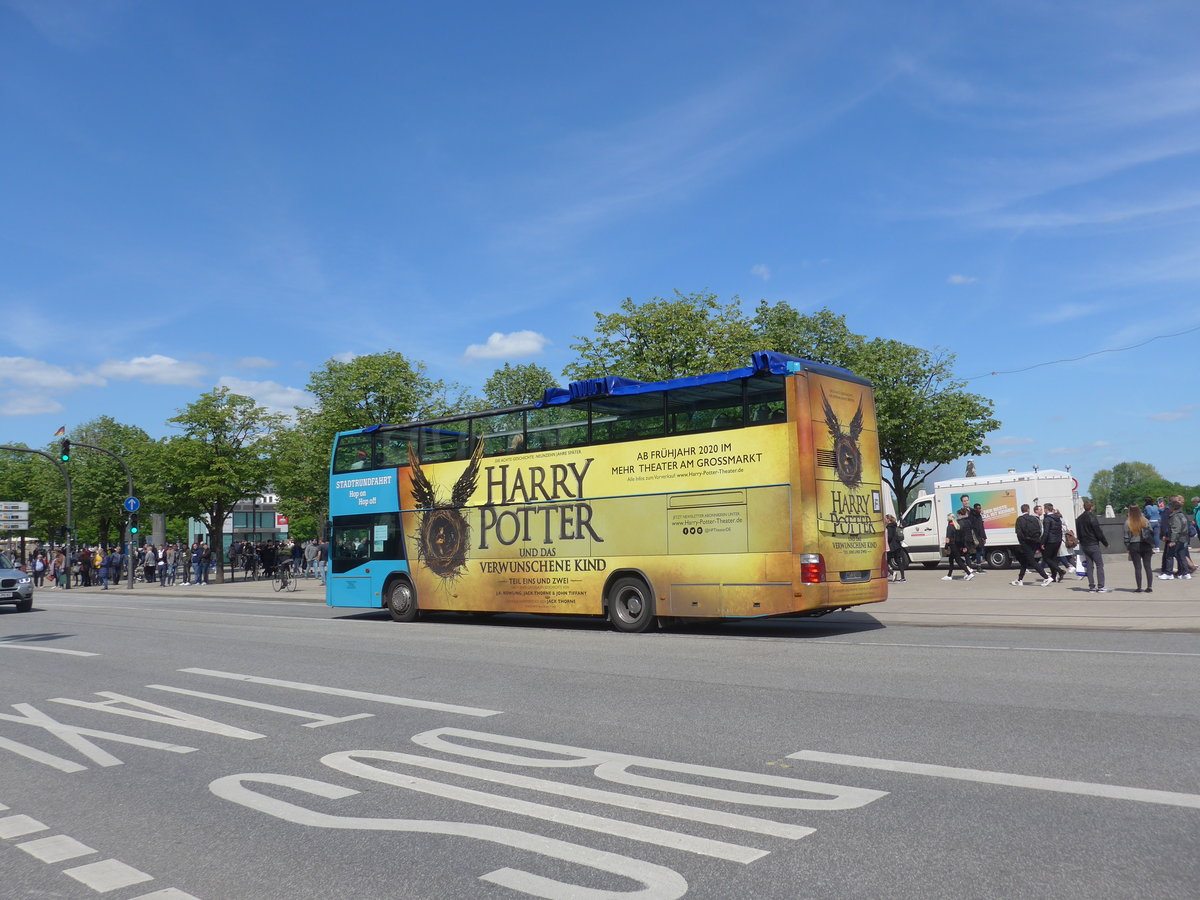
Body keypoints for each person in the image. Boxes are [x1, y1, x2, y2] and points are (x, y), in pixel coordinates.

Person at [1074, 500, 1109, 593]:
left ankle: (1091, 586)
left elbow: (1079, 532)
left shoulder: (1079, 519)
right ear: (1091, 507)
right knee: (1099, 565)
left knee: (1089, 566)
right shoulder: (1092, 517)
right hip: (1093, 543)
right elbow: (1098, 532)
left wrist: (1081, 541)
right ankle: (1101, 586)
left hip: (1084, 544)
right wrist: (1105, 543)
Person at [1011, 503, 1048, 585]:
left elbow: (1019, 533)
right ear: (1028, 510)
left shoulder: (1020, 519)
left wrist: (1022, 542)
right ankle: (1020, 580)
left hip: (1025, 543)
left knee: (1031, 561)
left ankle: (1046, 577)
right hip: (1034, 542)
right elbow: (1040, 530)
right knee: (1024, 561)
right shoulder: (1034, 518)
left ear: (1021, 510)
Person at [1123, 504, 1155, 593]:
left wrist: (1128, 548)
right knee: (1148, 566)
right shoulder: (1145, 520)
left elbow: (1126, 537)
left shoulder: (1128, 522)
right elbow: (1151, 532)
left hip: (1134, 545)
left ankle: (1139, 587)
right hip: (1146, 545)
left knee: (1137, 567)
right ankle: (1149, 587)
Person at [1160, 498, 1192, 581]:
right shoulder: (1182, 515)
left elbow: (1175, 529)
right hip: (1183, 538)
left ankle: (1168, 573)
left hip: (1176, 539)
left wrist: (1173, 540)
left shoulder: (1175, 516)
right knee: (1182, 556)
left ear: (1173, 508)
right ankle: (1186, 573)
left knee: (1169, 555)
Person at [942, 509, 976, 580]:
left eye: (947, 517)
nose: (947, 518)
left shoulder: (949, 527)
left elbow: (948, 538)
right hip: (958, 545)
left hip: (953, 545)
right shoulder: (957, 526)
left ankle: (969, 573)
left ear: (949, 518)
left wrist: (945, 547)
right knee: (951, 560)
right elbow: (961, 537)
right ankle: (949, 575)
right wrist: (963, 546)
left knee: (958, 561)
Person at [1039, 502, 1066, 585]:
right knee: (1053, 558)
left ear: (1047, 509)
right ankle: (1054, 577)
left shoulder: (1047, 519)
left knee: (1046, 558)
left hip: (1050, 541)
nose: (1044, 510)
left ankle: (1060, 571)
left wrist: (1042, 542)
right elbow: (1060, 530)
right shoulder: (1057, 518)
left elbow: (1046, 532)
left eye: (1044, 508)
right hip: (1057, 540)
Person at [885, 514, 906, 582]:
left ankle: (892, 572)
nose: (884, 520)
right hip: (897, 545)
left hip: (891, 547)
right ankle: (903, 577)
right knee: (898, 561)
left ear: (888, 520)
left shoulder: (889, 527)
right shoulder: (895, 525)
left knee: (885, 562)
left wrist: (885, 540)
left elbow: (890, 537)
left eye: (885, 519)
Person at [968, 503, 987, 568]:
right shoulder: (972, 516)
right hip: (975, 536)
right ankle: (978, 566)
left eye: (980, 508)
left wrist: (984, 537)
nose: (979, 510)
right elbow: (976, 527)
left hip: (979, 536)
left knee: (979, 551)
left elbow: (982, 527)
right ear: (975, 508)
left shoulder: (979, 516)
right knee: (978, 551)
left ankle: (970, 561)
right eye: (978, 508)